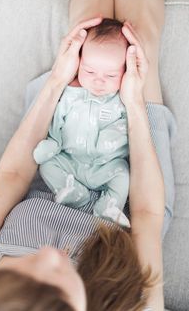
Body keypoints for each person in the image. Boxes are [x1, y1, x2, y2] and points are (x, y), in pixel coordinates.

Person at [0, 0, 177, 310]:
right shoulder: (134, 303)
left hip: (51, 174)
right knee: (139, 44)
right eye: (67, 274)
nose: (53, 253)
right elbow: (147, 213)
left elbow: (11, 178)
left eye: (27, 266)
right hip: (127, 203)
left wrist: (59, 78)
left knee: (88, 36)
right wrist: (134, 104)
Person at [33, 18, 130, 228]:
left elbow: (125, 128)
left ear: (125, 71)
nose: (98, 81)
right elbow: (57, 119)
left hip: (105, 165)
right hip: (70, 161)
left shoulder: (121, 101)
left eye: (111, 75)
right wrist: (54, 142)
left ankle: (109, 205)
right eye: (89, 71)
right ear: (79, 65)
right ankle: (75, 194)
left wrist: (110, 138)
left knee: (123, 173)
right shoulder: (70, 95)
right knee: (47, 165)